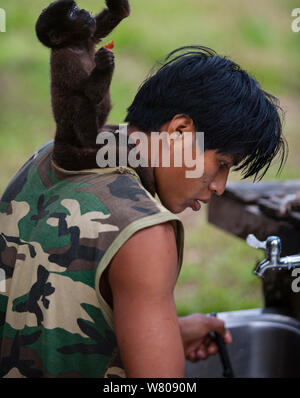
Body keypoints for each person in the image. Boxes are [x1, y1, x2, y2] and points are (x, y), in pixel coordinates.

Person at [0, 46, 286, 378]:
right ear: (180, 132)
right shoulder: (144, 232)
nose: (220, 186)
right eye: (221, 164)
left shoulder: (49, 157)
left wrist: (164, 334)